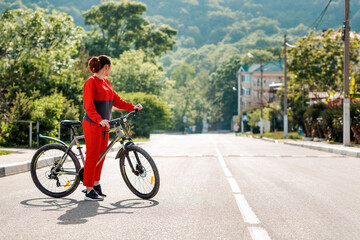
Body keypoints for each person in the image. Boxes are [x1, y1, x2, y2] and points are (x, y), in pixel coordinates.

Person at [83, 55, 142, 201]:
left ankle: (96, 185)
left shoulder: (106, 82)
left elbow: (117, 100)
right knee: (92, 156)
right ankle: (88, 189)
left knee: (101, 156)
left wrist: (132, 107)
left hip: (104, 125)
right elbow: (89, 106)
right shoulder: (91, 82)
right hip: (93, 124)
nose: (111, 69)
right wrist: (99, 120)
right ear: (106, 67)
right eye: (111, 66)